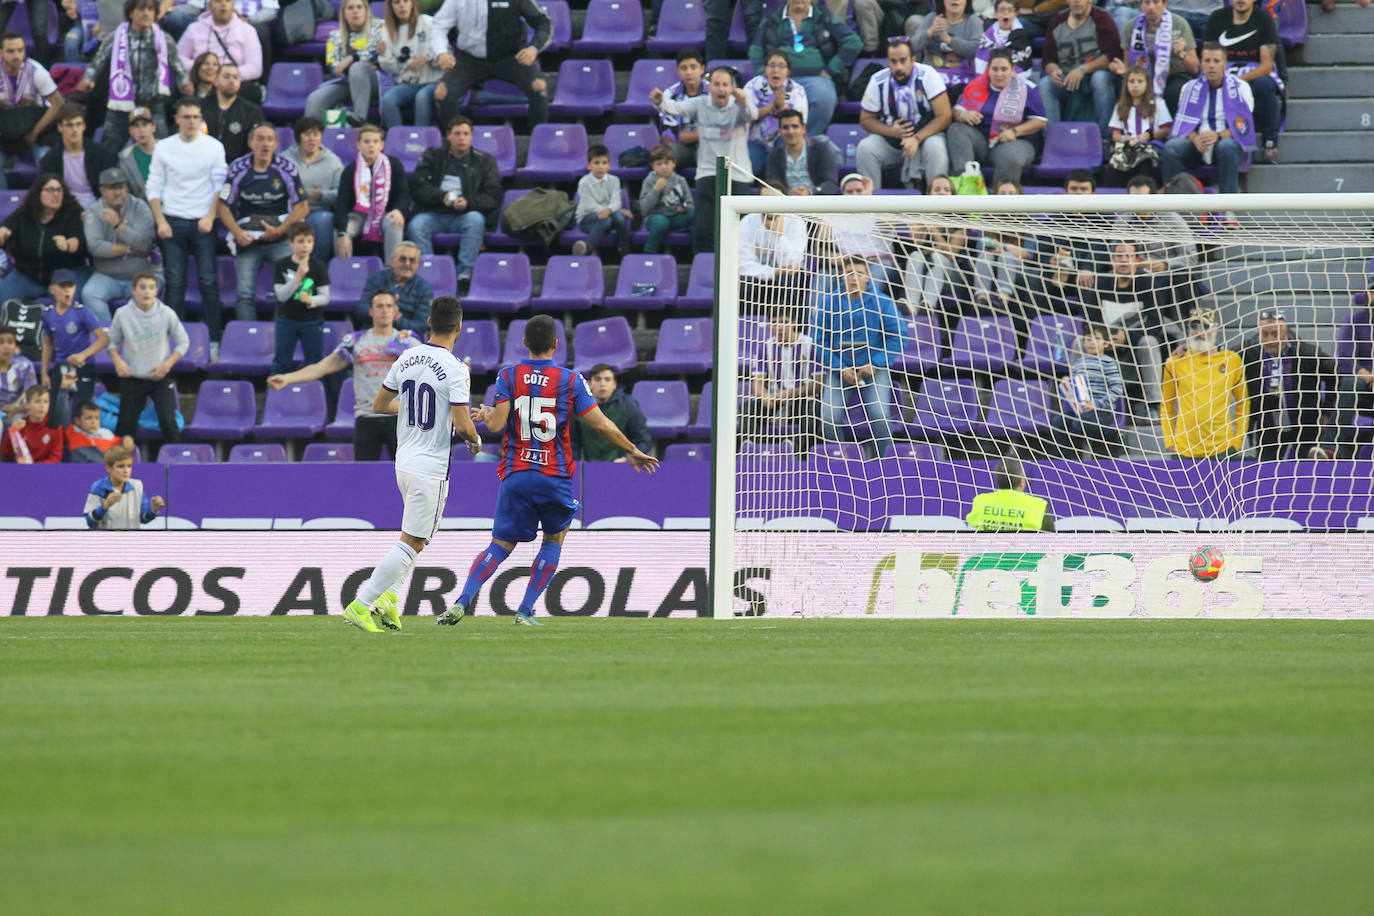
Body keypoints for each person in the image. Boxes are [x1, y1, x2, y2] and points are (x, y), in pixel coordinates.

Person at [441, 313, 660, 626]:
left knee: (500, 544)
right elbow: (600, 424)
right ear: (556, 345)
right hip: (552, 475)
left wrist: (489, 412)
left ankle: (463, 601)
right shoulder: (570, 380)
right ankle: (525, 610)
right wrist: (632, 449)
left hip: (516, 474)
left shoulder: (508, 375)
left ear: (525, 342)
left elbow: (496, 424)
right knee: (554, 538)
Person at [340, 296, 482, 632]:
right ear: (459, 327)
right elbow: (463, 426)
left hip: (404, 460)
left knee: (418, 537)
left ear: (429, 322)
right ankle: (362, 604)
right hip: (430, 466)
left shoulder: (406, 357)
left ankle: (390, 598)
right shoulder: (456, 369)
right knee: (413, 541)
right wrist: (476, 441)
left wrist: (417, 411)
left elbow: (379, 404)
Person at [268, 287, 420, 461]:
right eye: (379, 306)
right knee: (363, 479)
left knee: (407, 477)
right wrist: (288, 378)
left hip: (400, 418)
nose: (384, 310)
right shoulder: (355, 341)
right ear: (371, 312)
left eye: (388, 306)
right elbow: (322, 367)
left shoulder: (408, 342)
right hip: (366, 419)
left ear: (395, 311)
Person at [651, 67, 760, 253]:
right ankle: (703, 268)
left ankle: (739, 275)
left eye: (725, 85)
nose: (721, 89)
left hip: (738, 174)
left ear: (732, 88)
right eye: (716, 84)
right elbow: (676, 108)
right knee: (704, 230)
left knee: (738, 230)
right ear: (710, 88)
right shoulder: (700, 103)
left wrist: (744, 102)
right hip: (708, 172)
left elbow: (753, 115)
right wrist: (660, 101)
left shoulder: (739, 105)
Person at [148, 96, 228, 344]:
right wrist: (160, 220)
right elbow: (154, 186)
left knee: (208, 280)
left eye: (195, 117)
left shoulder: (214, 146)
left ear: (200, 119)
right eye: (186, 117)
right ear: (177, 119)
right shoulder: (163, 147)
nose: (191, 122)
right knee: (175, 282)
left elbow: (220, 185)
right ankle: (173, 340)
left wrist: (211, 216)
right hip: (172, 220)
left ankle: (214, 340)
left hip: (203, 221)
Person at [217, 122, 309, 322]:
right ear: (250, 142)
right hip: (248, 239)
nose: (264, 144)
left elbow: (302, 206)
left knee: (287, 292)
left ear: (276, 144)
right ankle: (248, 341)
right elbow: (222, 205)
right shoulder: (238, 168)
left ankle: (280, 339)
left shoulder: (287, 168)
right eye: (260, 139)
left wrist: (280, 230)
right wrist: (237, 232)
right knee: (244, 295)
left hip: (281, 238)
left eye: (269, 139)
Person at [814, 256, 902, 460]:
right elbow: (818, 340)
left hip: (873, 368)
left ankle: (884, 462)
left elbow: (898, 336)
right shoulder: (828, 302)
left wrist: (876, 363)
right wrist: (839, 367)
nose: (854, 277)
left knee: (879, 414)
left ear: (868, 277)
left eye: (859, 273)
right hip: (840, 369)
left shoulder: (883, 302)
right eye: (849, 273)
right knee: (828, 417)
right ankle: (840, 460)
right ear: (842, 276)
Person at [429, 0, 553, 133]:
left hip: (511, 58)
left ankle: (538, 141)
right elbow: (439, 26)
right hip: (470, 59)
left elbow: (544, 22)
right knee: (442, 92)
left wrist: (533, 48)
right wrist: (441, 53)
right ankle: (453, 145)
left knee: (539, 87)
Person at [81, 0, 191, 149]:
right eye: (141, 9)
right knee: (108, 153)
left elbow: (179, 68)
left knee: (164, 151)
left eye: (150, 9)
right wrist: (88, 79)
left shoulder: (164, 39)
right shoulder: (116, 37)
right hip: (120, 108)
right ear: (131, 13)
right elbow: (96, 63)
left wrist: (185, 82)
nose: (146, 13)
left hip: (153, 106)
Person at [406, 115, 502, 287]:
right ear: (448, 135)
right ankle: (430, 272)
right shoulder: (432, 155)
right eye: (457, 133)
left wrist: (468, 203)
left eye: (466, 133)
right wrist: (441, 197)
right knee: (416, 225)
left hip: (466, 214)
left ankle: (465, 273)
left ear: (472, 136)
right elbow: (418, 187)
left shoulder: (485, 161)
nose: (462, 138)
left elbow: (492, 195)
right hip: (434, 213)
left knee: (476, 220)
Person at [749, 0, 861, 136]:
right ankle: (778, 140)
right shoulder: (773, 19)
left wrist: (830, 70)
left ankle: (805, 140)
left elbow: (853, 42)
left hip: (815, 78)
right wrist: (764, 72)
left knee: (825, 99)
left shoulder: (823, 17)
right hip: (780, 79)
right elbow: (755, 49)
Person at [107, 270, 188, 452]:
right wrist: (117, 361)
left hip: (160, 377)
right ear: (133, 290)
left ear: (156, 291)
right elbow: (111, 341)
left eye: (151, 288)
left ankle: (176, 463)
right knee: (125, 424)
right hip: (133, 377)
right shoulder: (122, 314)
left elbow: (184, 342)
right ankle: (121, 466)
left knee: (169, 422)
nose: (146, 292)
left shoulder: (166, 313)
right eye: (142, 287)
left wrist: (167, 365)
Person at [1162, 43, 1254, 201]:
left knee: (1227, 146)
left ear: (1225, 64)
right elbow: (1181, 122)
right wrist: (1194, 138)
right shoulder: (1189, 88)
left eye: (1216, 61)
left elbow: (1244, 125)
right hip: (1196, 144)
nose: (1211, 66)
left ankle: (1228, 207)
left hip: (1225, 142)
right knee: (1171, 148)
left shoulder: (1241, 88)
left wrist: (1218, 136)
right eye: (1207, 61)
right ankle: (1171, 204)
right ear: (1201, 63)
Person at [856, 37, 952, 191]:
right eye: (893, 62)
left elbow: (945, 116)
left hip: (925, 135)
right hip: (892, 139)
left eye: (903, 60)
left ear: (913, 59)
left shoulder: (928, 75)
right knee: (865, 148)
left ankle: (938, 207)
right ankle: (870, 207)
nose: (898, 67)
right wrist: (892, 132)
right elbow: (866, 119)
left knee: (936, 148)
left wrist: (916, 139)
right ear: (887, 61)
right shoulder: (878, 80)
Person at [1240, 310, 1336, 461]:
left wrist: (1326, 412)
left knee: (1308, 474)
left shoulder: (1306, 353)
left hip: (1305, 426)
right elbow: (1221, 356)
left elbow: (1336, 375)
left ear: (1285, 333)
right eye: (1264, 334)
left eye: (1275, 334)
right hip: (1268, 428)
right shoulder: (1249, 354)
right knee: (1266, 476)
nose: (1270, 339)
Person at [948, 48, 1047, 187]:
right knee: (956, 129)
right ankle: (965, 189)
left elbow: (1040, 121)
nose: (999, 74)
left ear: (1012, 70)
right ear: (988, 70)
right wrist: (964, 115)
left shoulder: (1027, 89)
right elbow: (956, 112)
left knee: (1010, 156)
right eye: (995, 69)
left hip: (1015, 142)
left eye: (1004, 69)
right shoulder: (976, 85)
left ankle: (999, 205)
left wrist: (1014, 132)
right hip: (982, 142)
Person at [1161, 306, 1248, 458]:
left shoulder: (1232, 360)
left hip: (1223, 449)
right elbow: (1166, 405)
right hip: (1184, 451)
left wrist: (1238, 441)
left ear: (1215, 329)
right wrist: (1169, 441)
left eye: (1205, 326)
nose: (1199, 332)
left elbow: (1243, 402)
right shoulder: (1175, 363)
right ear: (1188, 329)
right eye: (1194, 326)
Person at [1204, 0, 1281, 163]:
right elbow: (1208, 56)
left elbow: (1267, 65)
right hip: (1221, 71)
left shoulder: (1264, 19)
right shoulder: (1216, 18)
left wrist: (1238, 81)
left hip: (1251, 75)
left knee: (1265, 85)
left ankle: (1270, 142)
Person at [741, 308, 822, 458]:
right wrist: (764, 396)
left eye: (784, 322)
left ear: (794, 323)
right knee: (746, 409)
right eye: (774, 322)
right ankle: (759, 452)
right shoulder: (764, 347)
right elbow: (757, 383)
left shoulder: (810, 345)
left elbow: (818, 384)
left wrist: (791, 394)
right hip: (776, 398)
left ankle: (797, 455)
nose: (779, 327)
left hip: (803, 399)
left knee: (814, 412)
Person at [1037, 0, 1122, 138]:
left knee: (1100, 79)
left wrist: (1083, 69)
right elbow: (1048, 59)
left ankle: (1105, 138)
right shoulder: (1057, 21)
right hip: (1067, 78)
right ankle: (1052, 140)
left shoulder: (1102, 18)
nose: (1077, 1)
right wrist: (1053, 70)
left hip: (1095, 76)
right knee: (1046, 84)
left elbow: (1111, 55)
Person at [82, 167, 158, 323]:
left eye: (121, 187)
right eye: (112, 188)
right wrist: (131, 249)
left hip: (140, 273)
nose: (118, 192)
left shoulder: (140, 207)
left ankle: (137, 341)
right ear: (102, 190)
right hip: (106, 275)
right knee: (89, 294)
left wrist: (118, 226)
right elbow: (95, 248)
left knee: (146, 295)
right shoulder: (94, 212)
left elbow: (144, 243)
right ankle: (108, 337)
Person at [0, 173, 88, 303]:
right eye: (51, 190)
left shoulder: (73, 213)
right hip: (28, 275)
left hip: (65, 275)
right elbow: (7, 226)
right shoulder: (24, 214)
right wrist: (3, 232)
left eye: (59, 190)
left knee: (66, 305)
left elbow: (77, 241)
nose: (56, 194)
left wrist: (67, 245)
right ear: (38, 193)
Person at [40, 269, 108, 428]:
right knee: (54, 412)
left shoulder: (82, 311)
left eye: (70, 286)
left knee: (81, 408)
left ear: (75, 288)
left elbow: (103, 338)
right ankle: (57, 447)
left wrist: (83, 355)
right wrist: (44, 372)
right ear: (53, 289)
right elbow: (48, 343)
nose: (67, 290)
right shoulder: (48, 314)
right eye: (62, 286)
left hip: (83, 366)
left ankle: (79, 445)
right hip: (61, 365)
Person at [334, 122, 409, 262]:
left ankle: (391, 271)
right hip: (358, 215)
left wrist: (398, 210)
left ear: (382, 145)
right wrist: (342, 231)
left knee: (395, 222)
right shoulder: (351, 170)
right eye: (366, 141)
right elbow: (342, 202)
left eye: (375, 141)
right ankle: (343, 270)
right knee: (340, 231)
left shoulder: (393, 165)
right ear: (358, 145)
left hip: (385, 214)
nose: (371, 145)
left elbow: (403, 195)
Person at [1050, 323, 1126, 458]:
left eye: (1096, 339)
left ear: (1106, 344)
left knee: (1079, 423)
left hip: (1102, 411)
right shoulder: (1079, 362)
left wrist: (1096, 404)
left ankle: (1112, 440)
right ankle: (1065, 460)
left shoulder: (1108, 362)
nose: (1092, 342)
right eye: (1088, 339)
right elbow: (1074, 389)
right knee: (1057, 422)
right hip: (1081, 410)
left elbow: (1116, 389)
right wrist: (1067, 382)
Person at [1110, 0, 1197, 116]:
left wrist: (1181, 53)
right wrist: (1123, 69)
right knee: (1129, 87)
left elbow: (1195, 68)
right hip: (1144, 76)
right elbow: (1129, 65)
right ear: (1141, 5)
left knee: (1172, 92)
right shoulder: (1130, 27)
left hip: (1175, 75)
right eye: (1147, 2)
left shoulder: (1179, 24)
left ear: (1164, 4)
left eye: (1156, 2)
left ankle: (1172, 131)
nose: (1151, 7)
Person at [304, 0, 382, 124]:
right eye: (350, 8)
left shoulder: (380, 28)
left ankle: (359, 118)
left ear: (366, 11)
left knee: (357, 68)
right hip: (347, 82)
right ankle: (314, 135)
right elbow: (333, 66)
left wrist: (351, 59)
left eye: (359, 7)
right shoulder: (334, 36)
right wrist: (341, 68)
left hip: (376, 80)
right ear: (343, 13)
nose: (355, 11)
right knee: (315, 99)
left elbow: (379, 56)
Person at [0, 30, 63, 181]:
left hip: (36, 126)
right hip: (5, 128)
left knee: (46, 162)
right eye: (11, 51)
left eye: (20, 50)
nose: (16, 56)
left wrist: (35, 132)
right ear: (1, 52)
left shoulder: (37, 71)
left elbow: (58, 103)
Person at [270, 221, 330, 375]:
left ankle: (315, 397)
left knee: (314, 362)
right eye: (300, 241)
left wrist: (311, 300)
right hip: (286, 320)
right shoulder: (281, 264)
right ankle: (276, 396)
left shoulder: (318, 266)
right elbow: (281, 296)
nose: (305, 246)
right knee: (281, 362)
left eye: (309, 241)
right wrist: (298, 277)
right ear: (291, 243)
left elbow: (325, 297)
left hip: (312, 321)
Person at [1316, 303, 1374, 459]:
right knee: (1350, 383)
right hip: (1365, 387)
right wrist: (1369, 376)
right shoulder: (1353, 322)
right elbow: (1345, 358)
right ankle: (1330, 448)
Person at [282, 115, 343, 260]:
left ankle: (317, 266)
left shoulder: (333, 161)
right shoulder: (285, 159)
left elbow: (341, 193)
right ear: (299, 137)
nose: (312, 138)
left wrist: (322, 195)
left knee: (325, 219)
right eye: (307, 134)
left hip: (318, 210)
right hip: (290, 211)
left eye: (316, 134)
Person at [176, 0, 264, 100]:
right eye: (218, 1)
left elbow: (255, 68)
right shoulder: (194, 29)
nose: (223, 5)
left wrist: (225, 76)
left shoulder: (247, 30)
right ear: (210, 5)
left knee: (252, 92)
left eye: (228, 1)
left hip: (233, 84)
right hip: (201, 82)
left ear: (233, 5)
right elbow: (178, 59)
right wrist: (203, 70)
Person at [37, 104, 115, 211]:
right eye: (69, 125)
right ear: (60, 127)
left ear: (84, 126)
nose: (75, 130)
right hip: (65, 209)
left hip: (98, 208)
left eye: (78, 124)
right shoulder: (49, 160)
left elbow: (110, 189)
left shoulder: (100, 154)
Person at [1104, 64, 1172, 186]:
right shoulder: (1120, 106)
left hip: (1149, 147)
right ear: (1126, 84)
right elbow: (1115, 135)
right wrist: (1126, 138)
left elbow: (1166, 129)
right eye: (1131, 81)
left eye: (1140, 81)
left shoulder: (1158, 104)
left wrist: (1148, 135)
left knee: (1144, 163)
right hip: (1127, 147)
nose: (1135, 85)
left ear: (1147, 84)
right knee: (1114, 165)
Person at [377, 0, 441, 130]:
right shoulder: (387, 31)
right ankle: (397, 141)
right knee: (388, 99)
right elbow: (394, 69)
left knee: (422, 97)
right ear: (391, 7)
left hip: (433, 81)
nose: (402, 6)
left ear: (412, 3)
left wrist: (427, 58)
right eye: (396, 2)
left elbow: (445, 52)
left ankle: (421, 141)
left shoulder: (428, 22)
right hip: (408, 83)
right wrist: (384, 55)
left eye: (405, 1)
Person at [740, 186, 807, 307]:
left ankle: (788, 325)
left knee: (789, 282)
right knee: (744, 285)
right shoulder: (747, 221)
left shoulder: (796, 222)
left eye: (774, 199)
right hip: (758, 277)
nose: (770, 203)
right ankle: (750, 325)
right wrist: (773, 272)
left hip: (787, 277)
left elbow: (792, 263)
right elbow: (744, 265)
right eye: (766, 199)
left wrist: (780, 235)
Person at [743, 51, 808, 176]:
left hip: (784, 138)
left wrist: (783, 105)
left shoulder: (797, 90)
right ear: (765, 70)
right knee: (751, 170)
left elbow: (800, 122)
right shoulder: (753, 86)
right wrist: (771, 107)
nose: (776, 70)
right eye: (771, 65)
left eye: (781, 66)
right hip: (755, 139)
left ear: (788, 72)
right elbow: (746, 116)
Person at [571, 363, 652, 462]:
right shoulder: (578, 407)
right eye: (597, 379)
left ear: (614, 385)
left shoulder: (628, 404)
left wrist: (627, 459)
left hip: (622, 465)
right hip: (590, 467)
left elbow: (644, 439)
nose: (602, 384)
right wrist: (576, 466)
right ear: (590, 384)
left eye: (607, 379)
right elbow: (572, 443)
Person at [82, 445, 166, 529]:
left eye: (129, 466)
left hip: (130, 539)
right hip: (106, 540)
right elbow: (90, 521)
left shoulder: (137, 486)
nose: (126, 471)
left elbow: (143, 518)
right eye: (121, 466)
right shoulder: (99, 487)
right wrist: (105, 507)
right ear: (108, 468)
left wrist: (153, 510)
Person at [356, 242, 433, 332]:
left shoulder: (425, 288)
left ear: (418, 264)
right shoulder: (376, 279)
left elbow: (422, 325)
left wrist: (395, 319)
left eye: (412, 260)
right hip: (375, 334)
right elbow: (361, 310)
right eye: (402, 259)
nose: (407, 263)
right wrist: (382, 312)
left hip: (406, 339)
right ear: (393, 261)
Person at [571, 143, 631, 258]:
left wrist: (608, 210)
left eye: (604, 163)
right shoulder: (584, 182)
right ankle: (587, 248)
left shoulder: (615, 180)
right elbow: (589, 205)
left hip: (609, 213)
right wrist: (606, 211)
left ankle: (623, 249)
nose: (600, 167)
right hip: (587, 218)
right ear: (589, 165)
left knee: (620, 218)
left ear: (609, 165)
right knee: (607, 221)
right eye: (596, 163)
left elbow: (616, 201)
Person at [966, 457, 1056, 530]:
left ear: (997, 480)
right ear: (1022, 481)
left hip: (986, 552)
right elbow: (1051, 540)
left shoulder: (980, 501)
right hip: (1025, 552)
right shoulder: (1039, 505)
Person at [910, 0, 983, 92]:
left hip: (962, 78)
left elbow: (977, 51)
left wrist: (949, 40)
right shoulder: (932, 18)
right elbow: (911, 48)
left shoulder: (973, 21)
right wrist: (930, 32)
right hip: (932, 75)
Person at [765, 108, 839, 196]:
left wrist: (810, 192)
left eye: (795, 126)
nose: (790, 131)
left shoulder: (820, 148)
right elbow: (773, 185)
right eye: (785, 127)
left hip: (817, 203)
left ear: (803, 129)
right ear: (780, 131)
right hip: (787, 204)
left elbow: (831, 183)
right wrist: (788, 192)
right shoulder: (774, 155)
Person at [200, 60, 263, 165]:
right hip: (203, 164)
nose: (231, 81)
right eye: (226, 76)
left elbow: (254, 145)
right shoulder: (200, 107)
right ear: (216, 80)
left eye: (235, 77)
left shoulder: (252, 111)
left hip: (238, 166)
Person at [640, 143, 694, 255]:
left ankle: (696, 251)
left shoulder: (680, 180)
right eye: (659, 164)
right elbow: (644, 209)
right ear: (653, 166)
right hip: (656, 217)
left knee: (695, 215)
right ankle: (649, 251)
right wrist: (656, 190)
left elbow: (689, 204)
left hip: (676, 217)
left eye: (666, 163)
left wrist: (684, 208)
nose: (663, 167)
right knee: (661, 223)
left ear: (673, 164)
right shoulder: (649, 181)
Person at [657, 48, 705, 170]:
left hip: (707, 147)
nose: (689, 72)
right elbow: (673, 136)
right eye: (684, 68)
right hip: (680, 147)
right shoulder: (669, 95)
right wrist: (704, 134)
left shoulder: (714, 92)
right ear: (678, 71)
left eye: (693, 67)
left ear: (702, 69)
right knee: (665, 153)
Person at [2, 383, 61, 462]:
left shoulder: (55, 427)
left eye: (46, 401)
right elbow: (6, 453)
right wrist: (12, 431)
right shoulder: (20, 425)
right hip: (22, 471)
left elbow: (55, 458)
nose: (42, 405)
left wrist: (35, 469)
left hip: (45, 471)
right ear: (28, 405)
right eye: (37, 401)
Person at [976, 0, 1033, 75]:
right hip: (988, 77)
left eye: (1010, 10)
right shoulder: (987, 36)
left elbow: (1023, 64)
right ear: (996, 14)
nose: (1006, 12)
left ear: (1016, 14)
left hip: (1015, 79)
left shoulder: (1020, 36)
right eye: (1002, 9)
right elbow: (981, 60)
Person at [0, 324, 37, 433]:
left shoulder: (25, 366)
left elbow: (32, 397)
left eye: (10, 342)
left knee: (19, 421)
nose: (6, 347)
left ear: (15, 345)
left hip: (18, 412)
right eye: (1, 342)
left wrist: (16, 409)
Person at [117, 108, 160, 200]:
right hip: (143, 207)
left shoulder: (168, 149)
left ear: (153, 127)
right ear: (131, 131)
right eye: (136, 126)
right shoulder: (126, 157)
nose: (141, 130)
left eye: (145, 125)